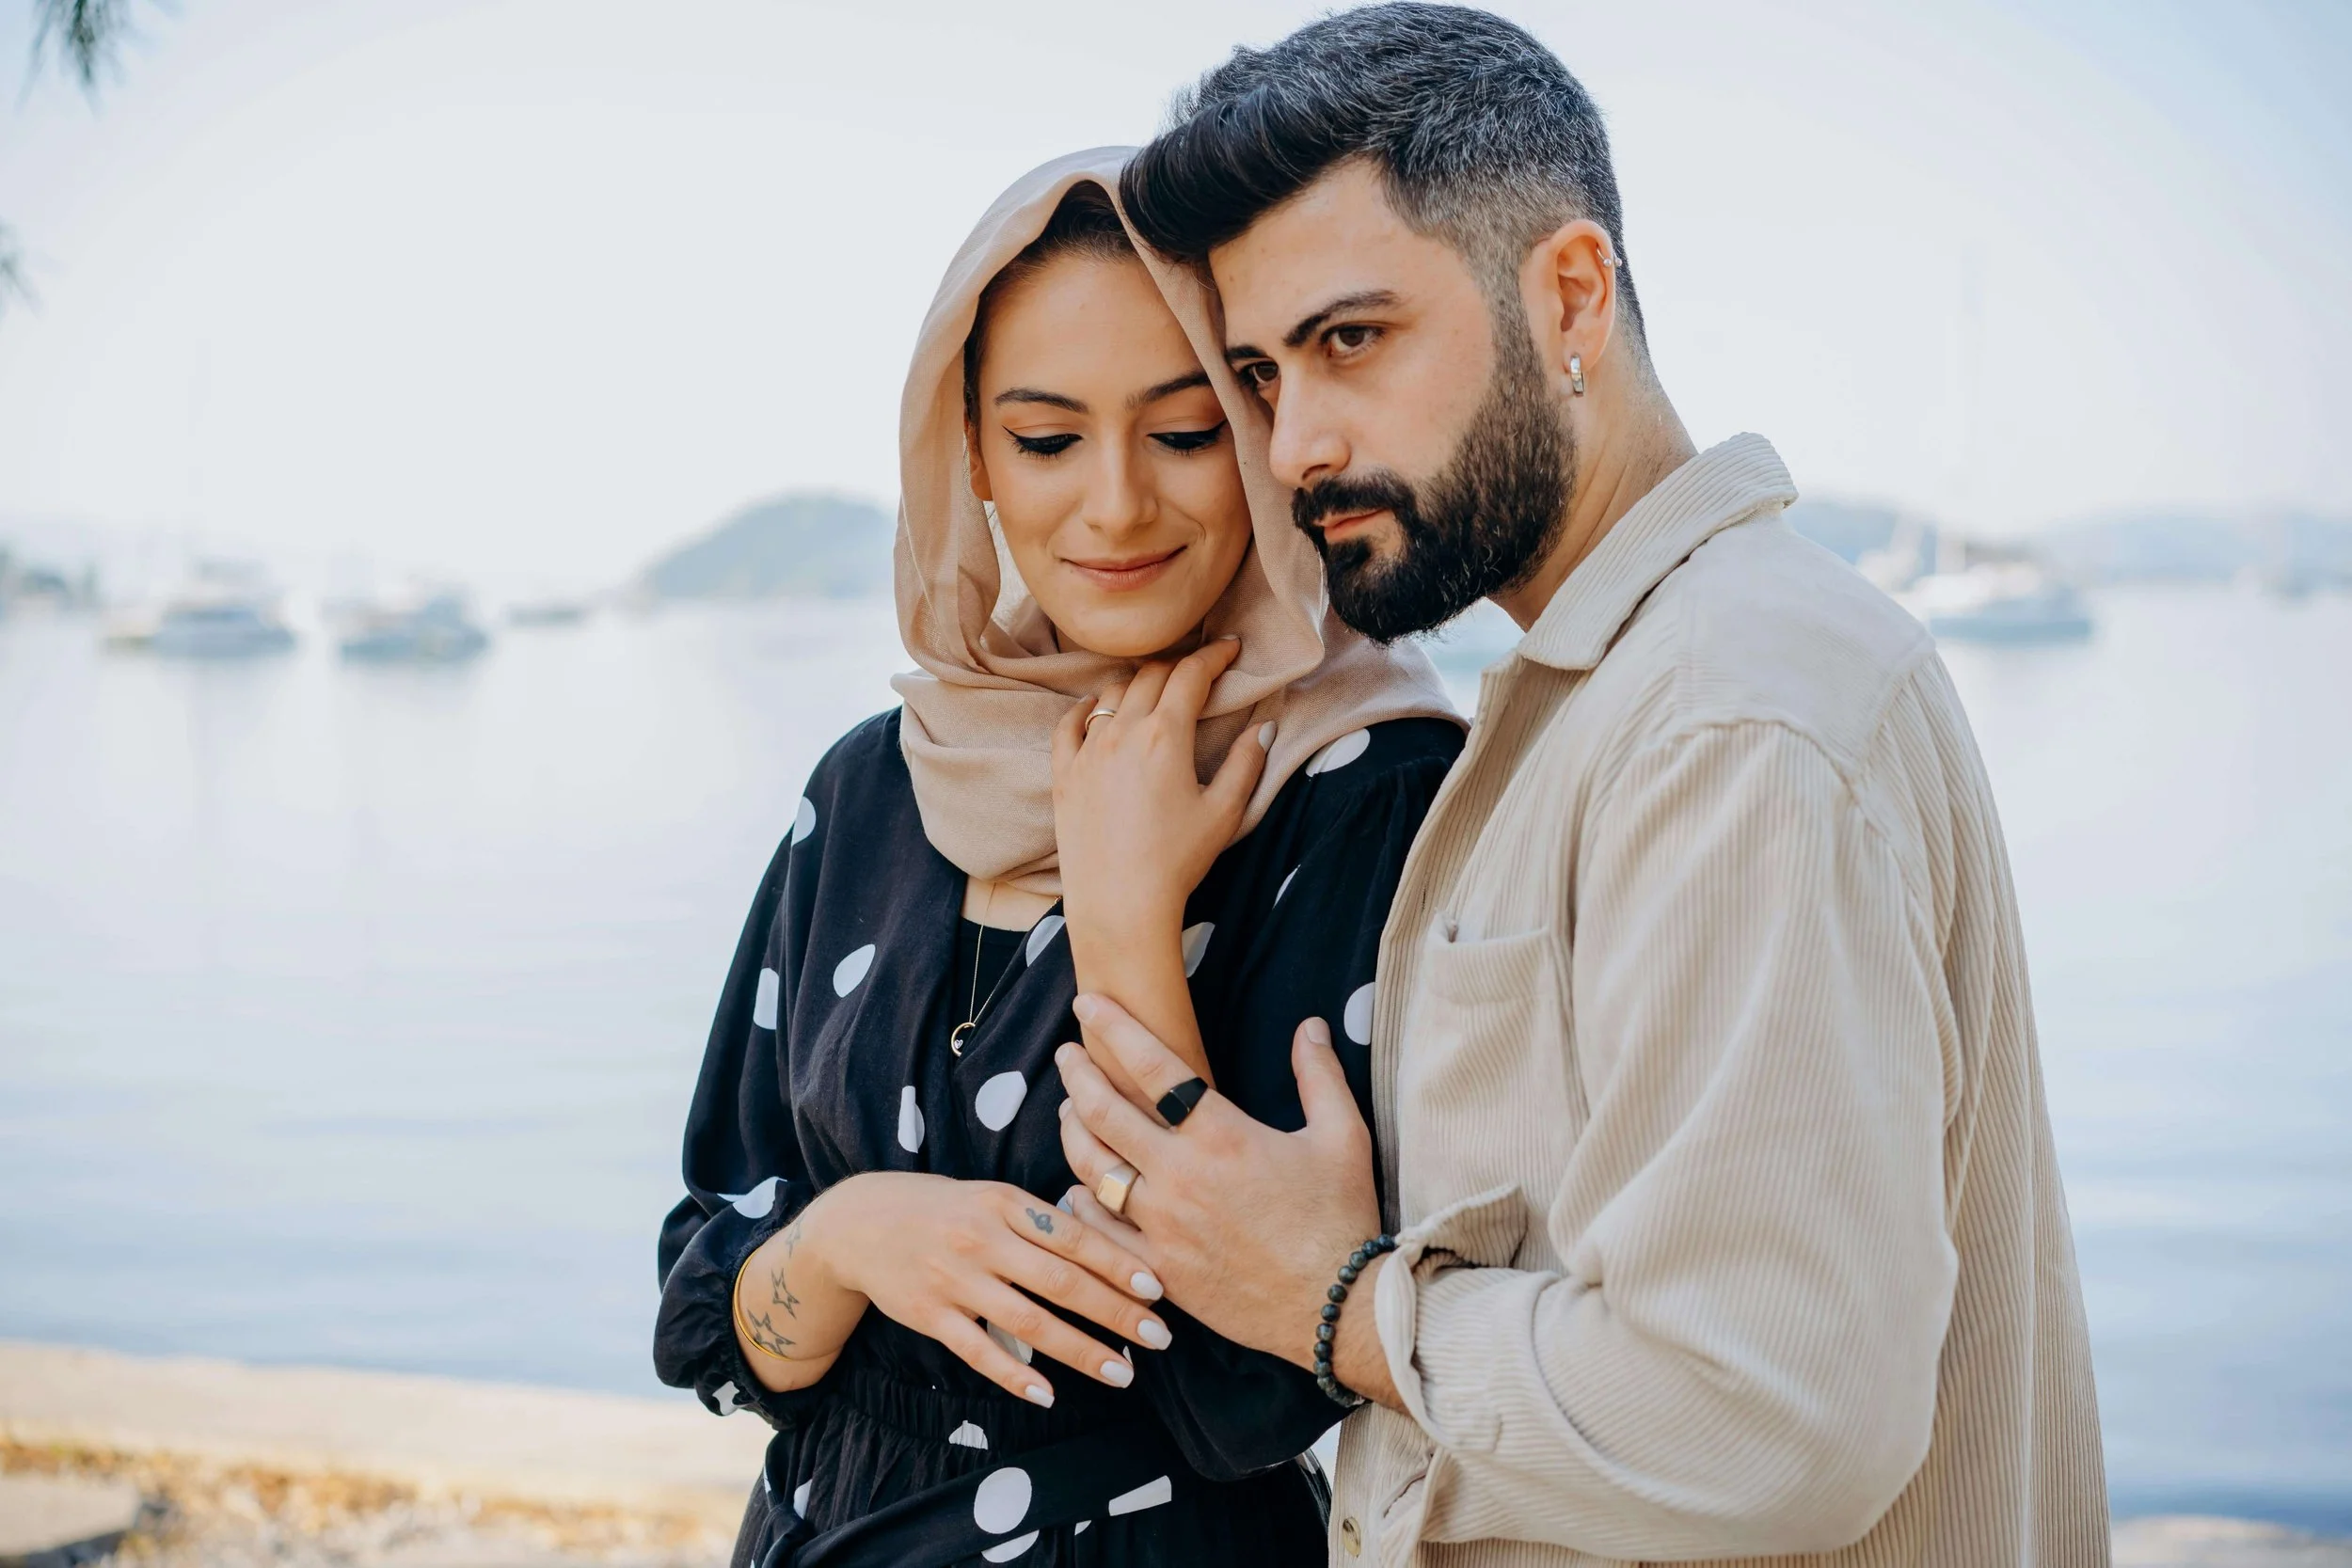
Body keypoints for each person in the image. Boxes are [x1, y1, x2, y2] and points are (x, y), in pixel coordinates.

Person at [1050, 8, 2110, 1566]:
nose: (1294, 445)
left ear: (1570, 296)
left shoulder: (1730, 713)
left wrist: (1336, 1299)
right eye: (1266, 374)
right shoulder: (1628, 687)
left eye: (1353, 341)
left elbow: (1770, 1421)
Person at [653, 148, 1463, 1568]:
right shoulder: (875, 784)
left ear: (1264, 428)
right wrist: (856, 1234)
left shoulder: (1368, 788)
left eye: (1185, 430)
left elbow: (1249, 1383)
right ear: (967, 453)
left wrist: (1128, 916)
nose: (1116, 507)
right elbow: (705, 1307)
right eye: (1045, 439)